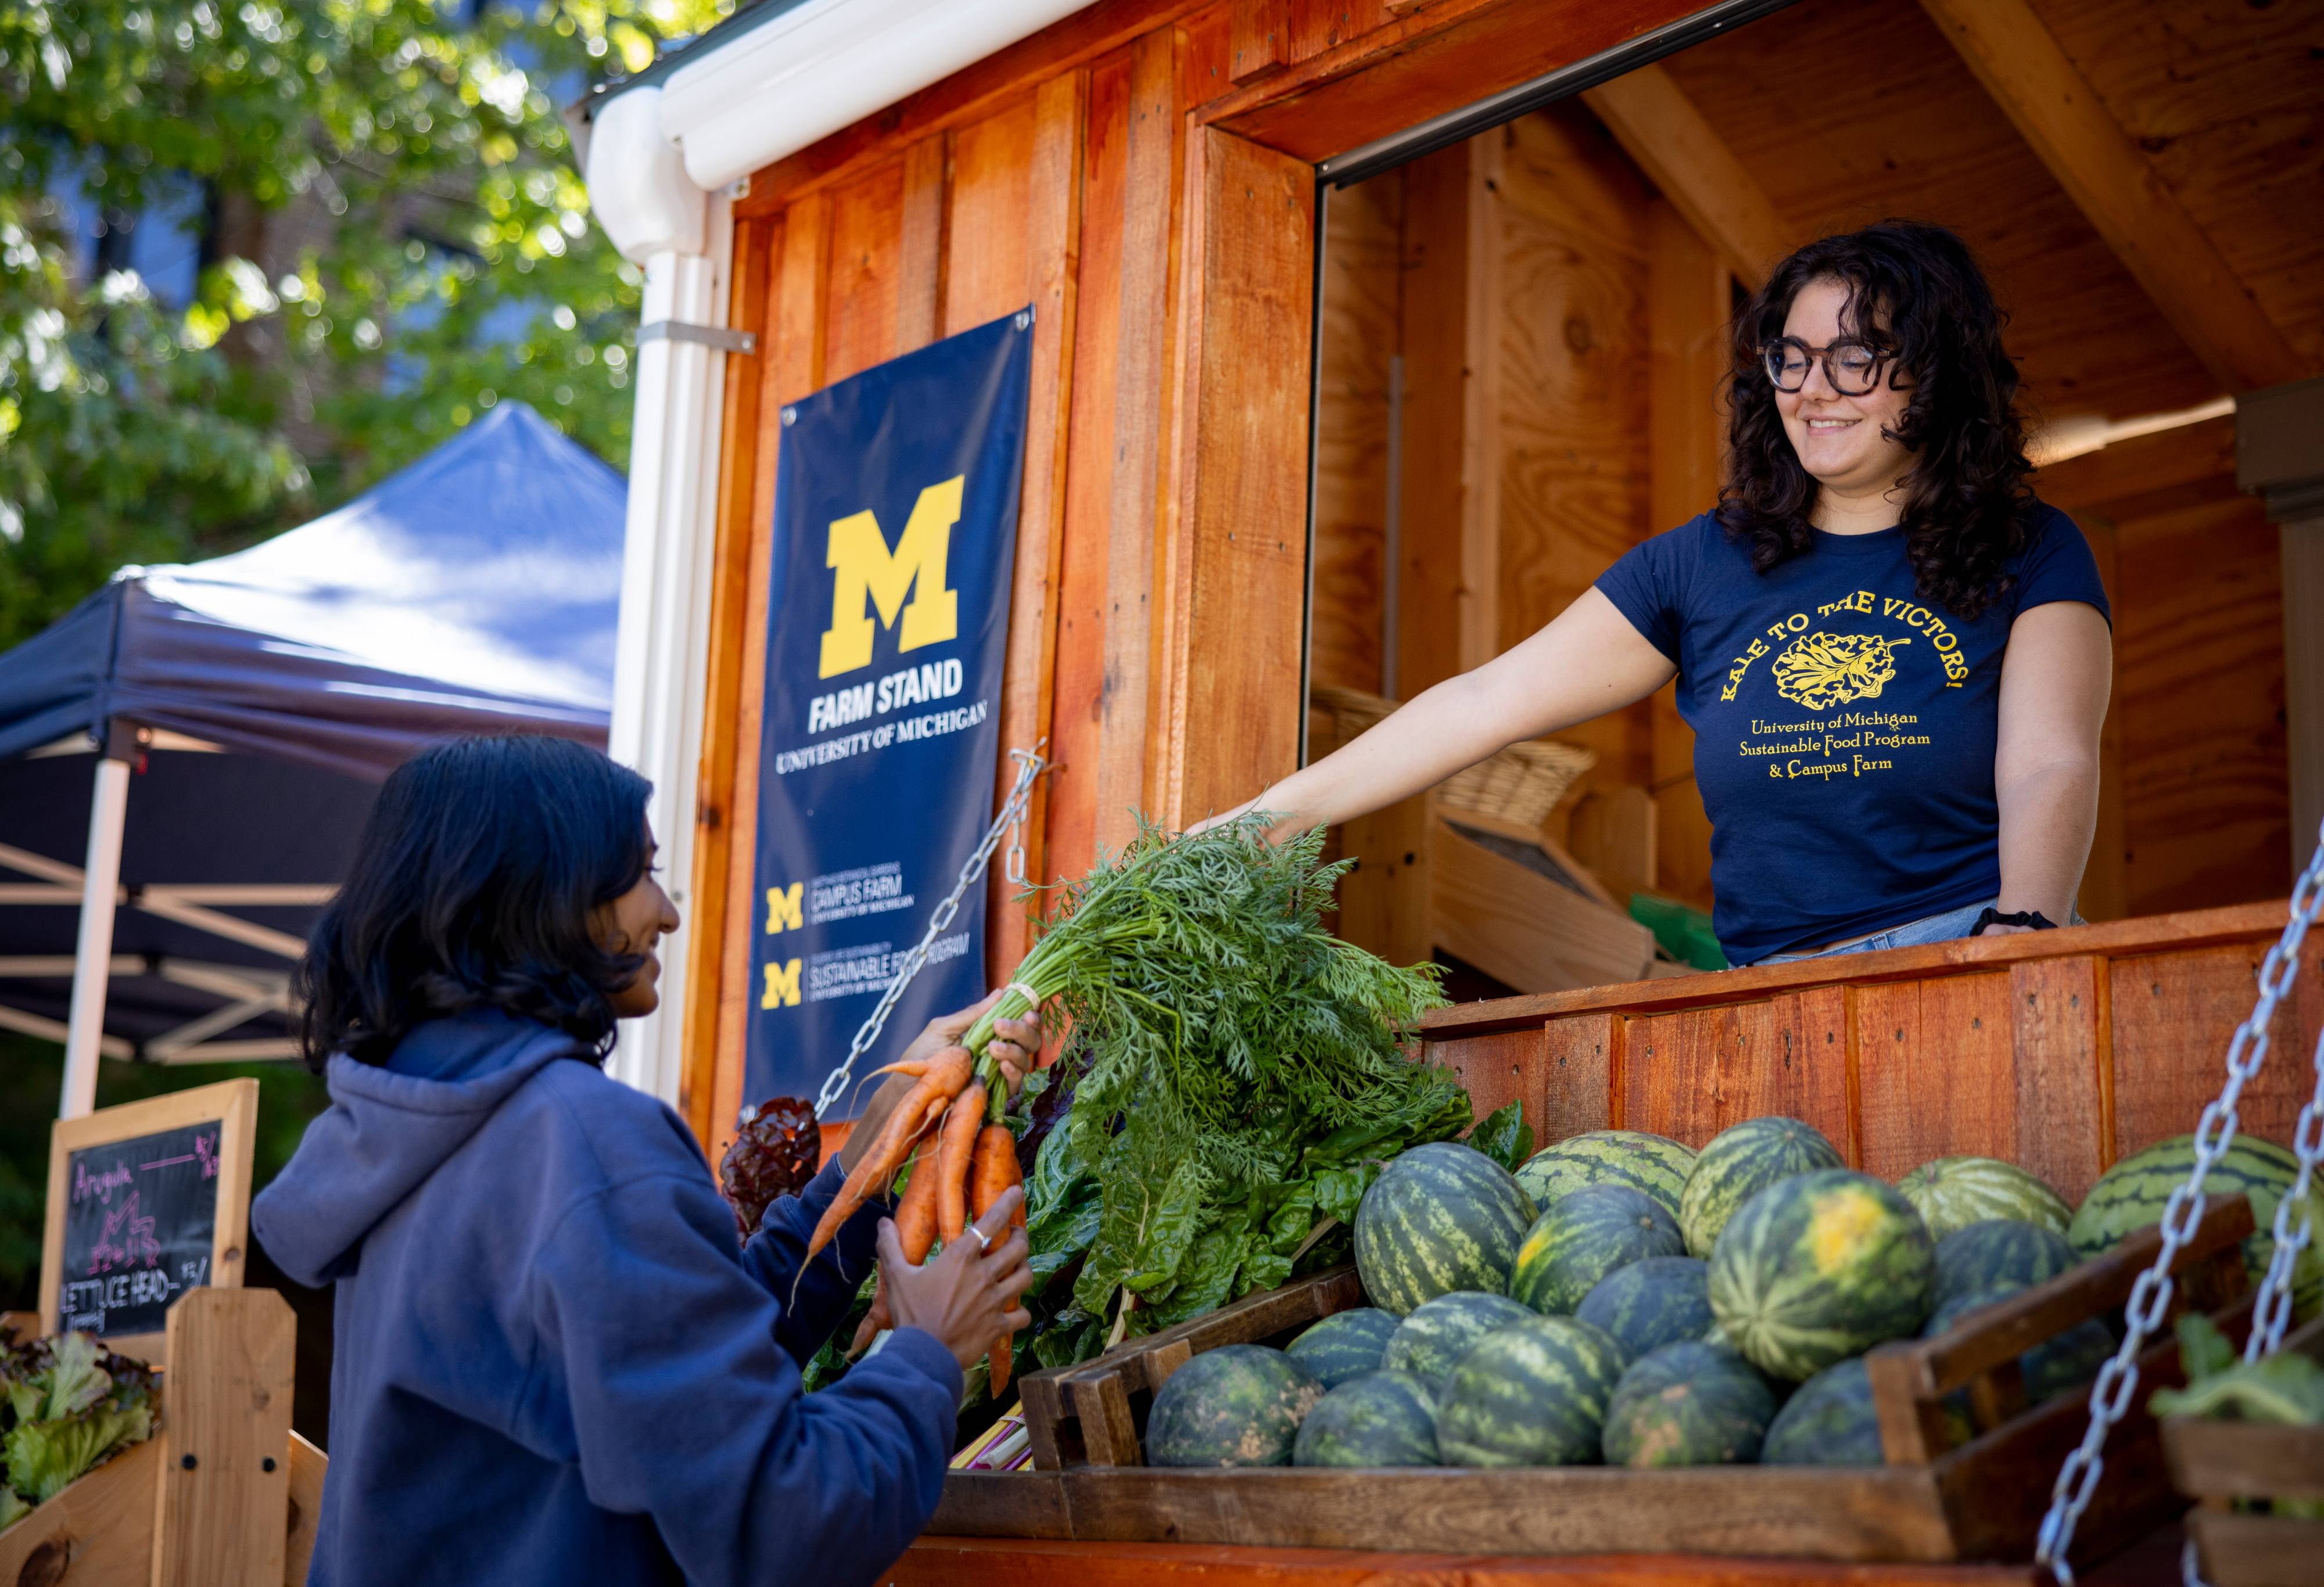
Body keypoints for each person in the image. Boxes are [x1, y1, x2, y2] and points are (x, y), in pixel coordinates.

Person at [1206, 221, 2111, 967]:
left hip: (1971, 948)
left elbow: (2049, 764)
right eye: (1790, 358)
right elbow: (1485, 702)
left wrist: (2022, 936)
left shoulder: (2032, 549)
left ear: (1938, 372)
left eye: (1857, 359)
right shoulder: (1700, 565)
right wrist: (1260, 823)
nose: (1813, 390)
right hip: (1770, 992)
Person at [252, 734, 1044, 1586]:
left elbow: (671, 1380)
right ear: (548, 895)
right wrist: (927, 1351)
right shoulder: (585, 1142)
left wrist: (869, 1169)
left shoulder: (419, 1139)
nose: (665, 911)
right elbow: (780, 1521)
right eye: (639, 873)